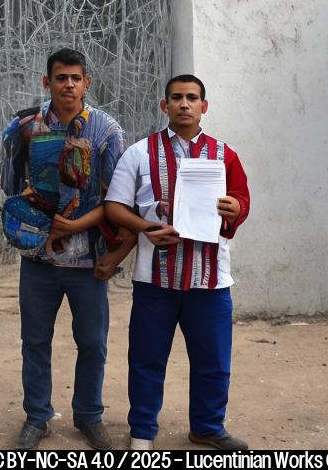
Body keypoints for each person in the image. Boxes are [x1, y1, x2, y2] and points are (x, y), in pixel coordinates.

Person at [104, 74, 250, 451]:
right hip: (156, 278)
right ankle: (142, 432)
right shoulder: (139, 153)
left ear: (204, 105)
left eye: (192, 98)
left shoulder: (224, 154)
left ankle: (207, 427)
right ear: (163, 105)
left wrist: (234, 208)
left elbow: (241, 200)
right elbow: (115, 207)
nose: (184, 104)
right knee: (147, 357)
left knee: (213, 360)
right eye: (176, 98)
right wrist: (145, 228)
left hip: (210, 279)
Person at [0, 48, 125, 450]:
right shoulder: (24, 127)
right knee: (35, 340)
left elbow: (118, 200)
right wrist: (34, 214)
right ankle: (37, 416)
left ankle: (89, 415)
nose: (68, 85)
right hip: (37, 258)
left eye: (75, 78)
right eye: (60, 78)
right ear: (46, 81)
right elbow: (8, 184)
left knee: (92, 341)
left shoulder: (106, 131)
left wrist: (77, 225)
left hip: (88, 260)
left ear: (88, 82)